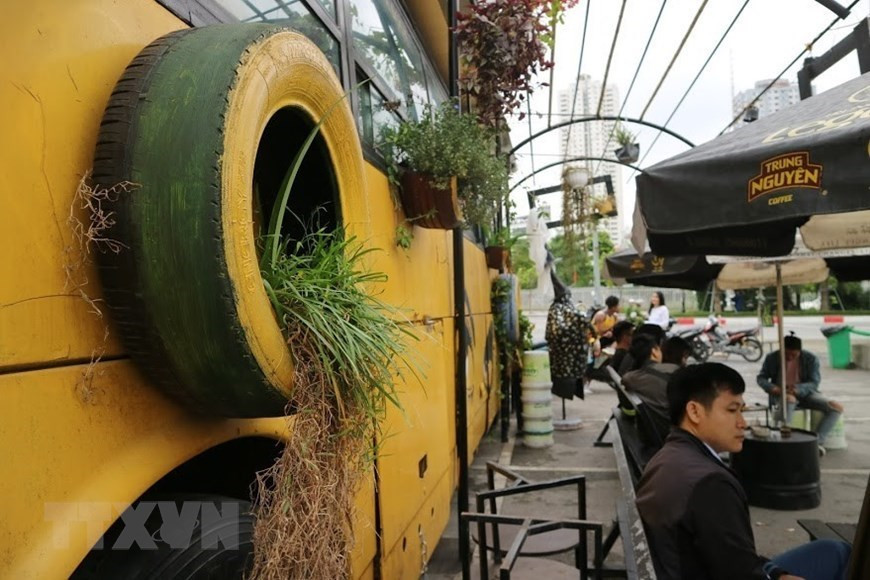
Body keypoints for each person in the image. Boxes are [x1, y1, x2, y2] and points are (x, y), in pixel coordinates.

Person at [636, 363, 851, 580]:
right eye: (732, 410)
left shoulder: (668, 456)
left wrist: (777, 574)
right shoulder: (711, 484)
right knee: (842, 556)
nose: (742, 423)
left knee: (834, 550)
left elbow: (733, 558)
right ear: (694, 411)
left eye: (742, 411)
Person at [757, 334, 844, 453]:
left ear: (800, 351)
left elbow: (814, 382)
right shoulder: (772, 357)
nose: (790, 357)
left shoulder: (810, 358)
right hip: (781, 394)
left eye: (794, 355)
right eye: (786, 354)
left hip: (806, 393)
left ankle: (817, 442)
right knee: (790, 399)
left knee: (836, 407)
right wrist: (773, 388)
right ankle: (784, 441)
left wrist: (798, 389)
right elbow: (761, 378)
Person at [622, 334, 679, 441]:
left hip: (653, 430)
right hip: (670, 431)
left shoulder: (632, 377)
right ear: (654, 351)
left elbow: (625, 378)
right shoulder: (672, 370)